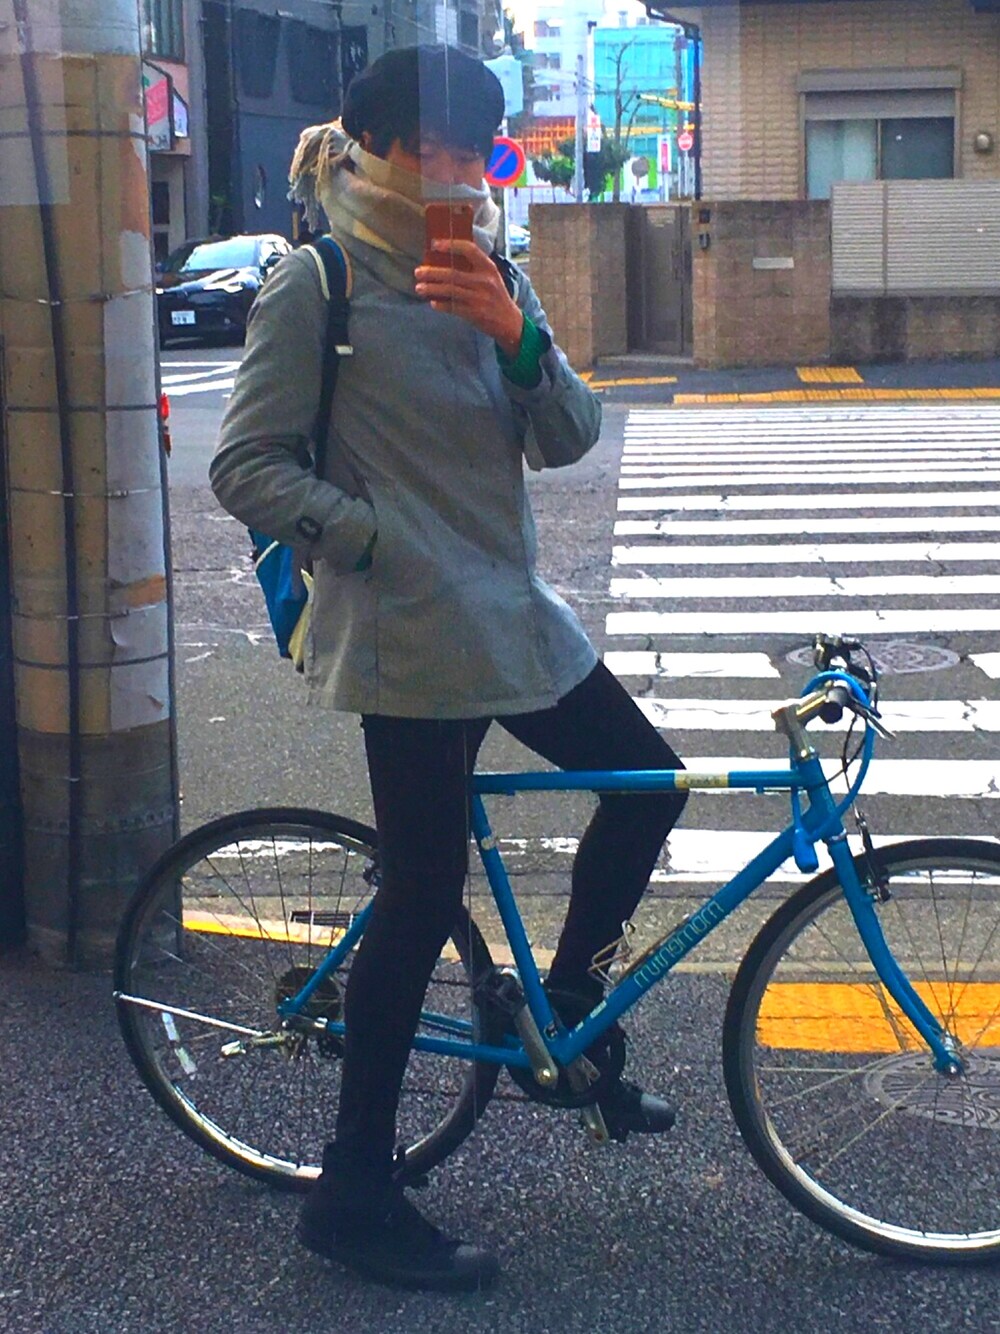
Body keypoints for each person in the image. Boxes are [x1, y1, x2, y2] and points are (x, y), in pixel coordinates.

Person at [210, 44, 687, 1293]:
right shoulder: (318, 282)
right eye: (433, 148)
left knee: (649, 784)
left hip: (512, 615)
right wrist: (369, 538)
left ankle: (565, 1016)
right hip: (410, 632)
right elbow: (245, 465)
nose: (457, 171)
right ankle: (353, 1191)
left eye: (474, 149)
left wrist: (517, 336)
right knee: (422, 894)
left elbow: (569, 435)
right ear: (371, 146)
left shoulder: (491, 269)